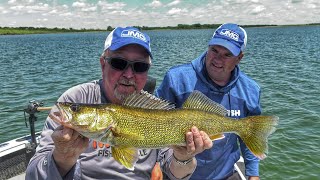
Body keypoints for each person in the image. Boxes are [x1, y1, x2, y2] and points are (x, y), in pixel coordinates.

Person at [26, 26, 212, 180]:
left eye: (139, 66)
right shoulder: (76, 98)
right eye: (118, 63)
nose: (129, 74)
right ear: (103, 64)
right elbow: (33, 176)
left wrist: (184, 157)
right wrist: (62, 157)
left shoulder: (154, 108)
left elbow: (175, 174)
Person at [155, 23, 261, 180]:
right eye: (214, 50)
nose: (218, 59)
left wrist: (253, 174)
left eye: (227, 55)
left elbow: (250, 136)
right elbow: (153, 124)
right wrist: (154, 163)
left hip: (224, 174)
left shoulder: (250, 90)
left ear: (239, 58)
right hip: (177, 173)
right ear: (208, 47)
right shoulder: (176, 78)